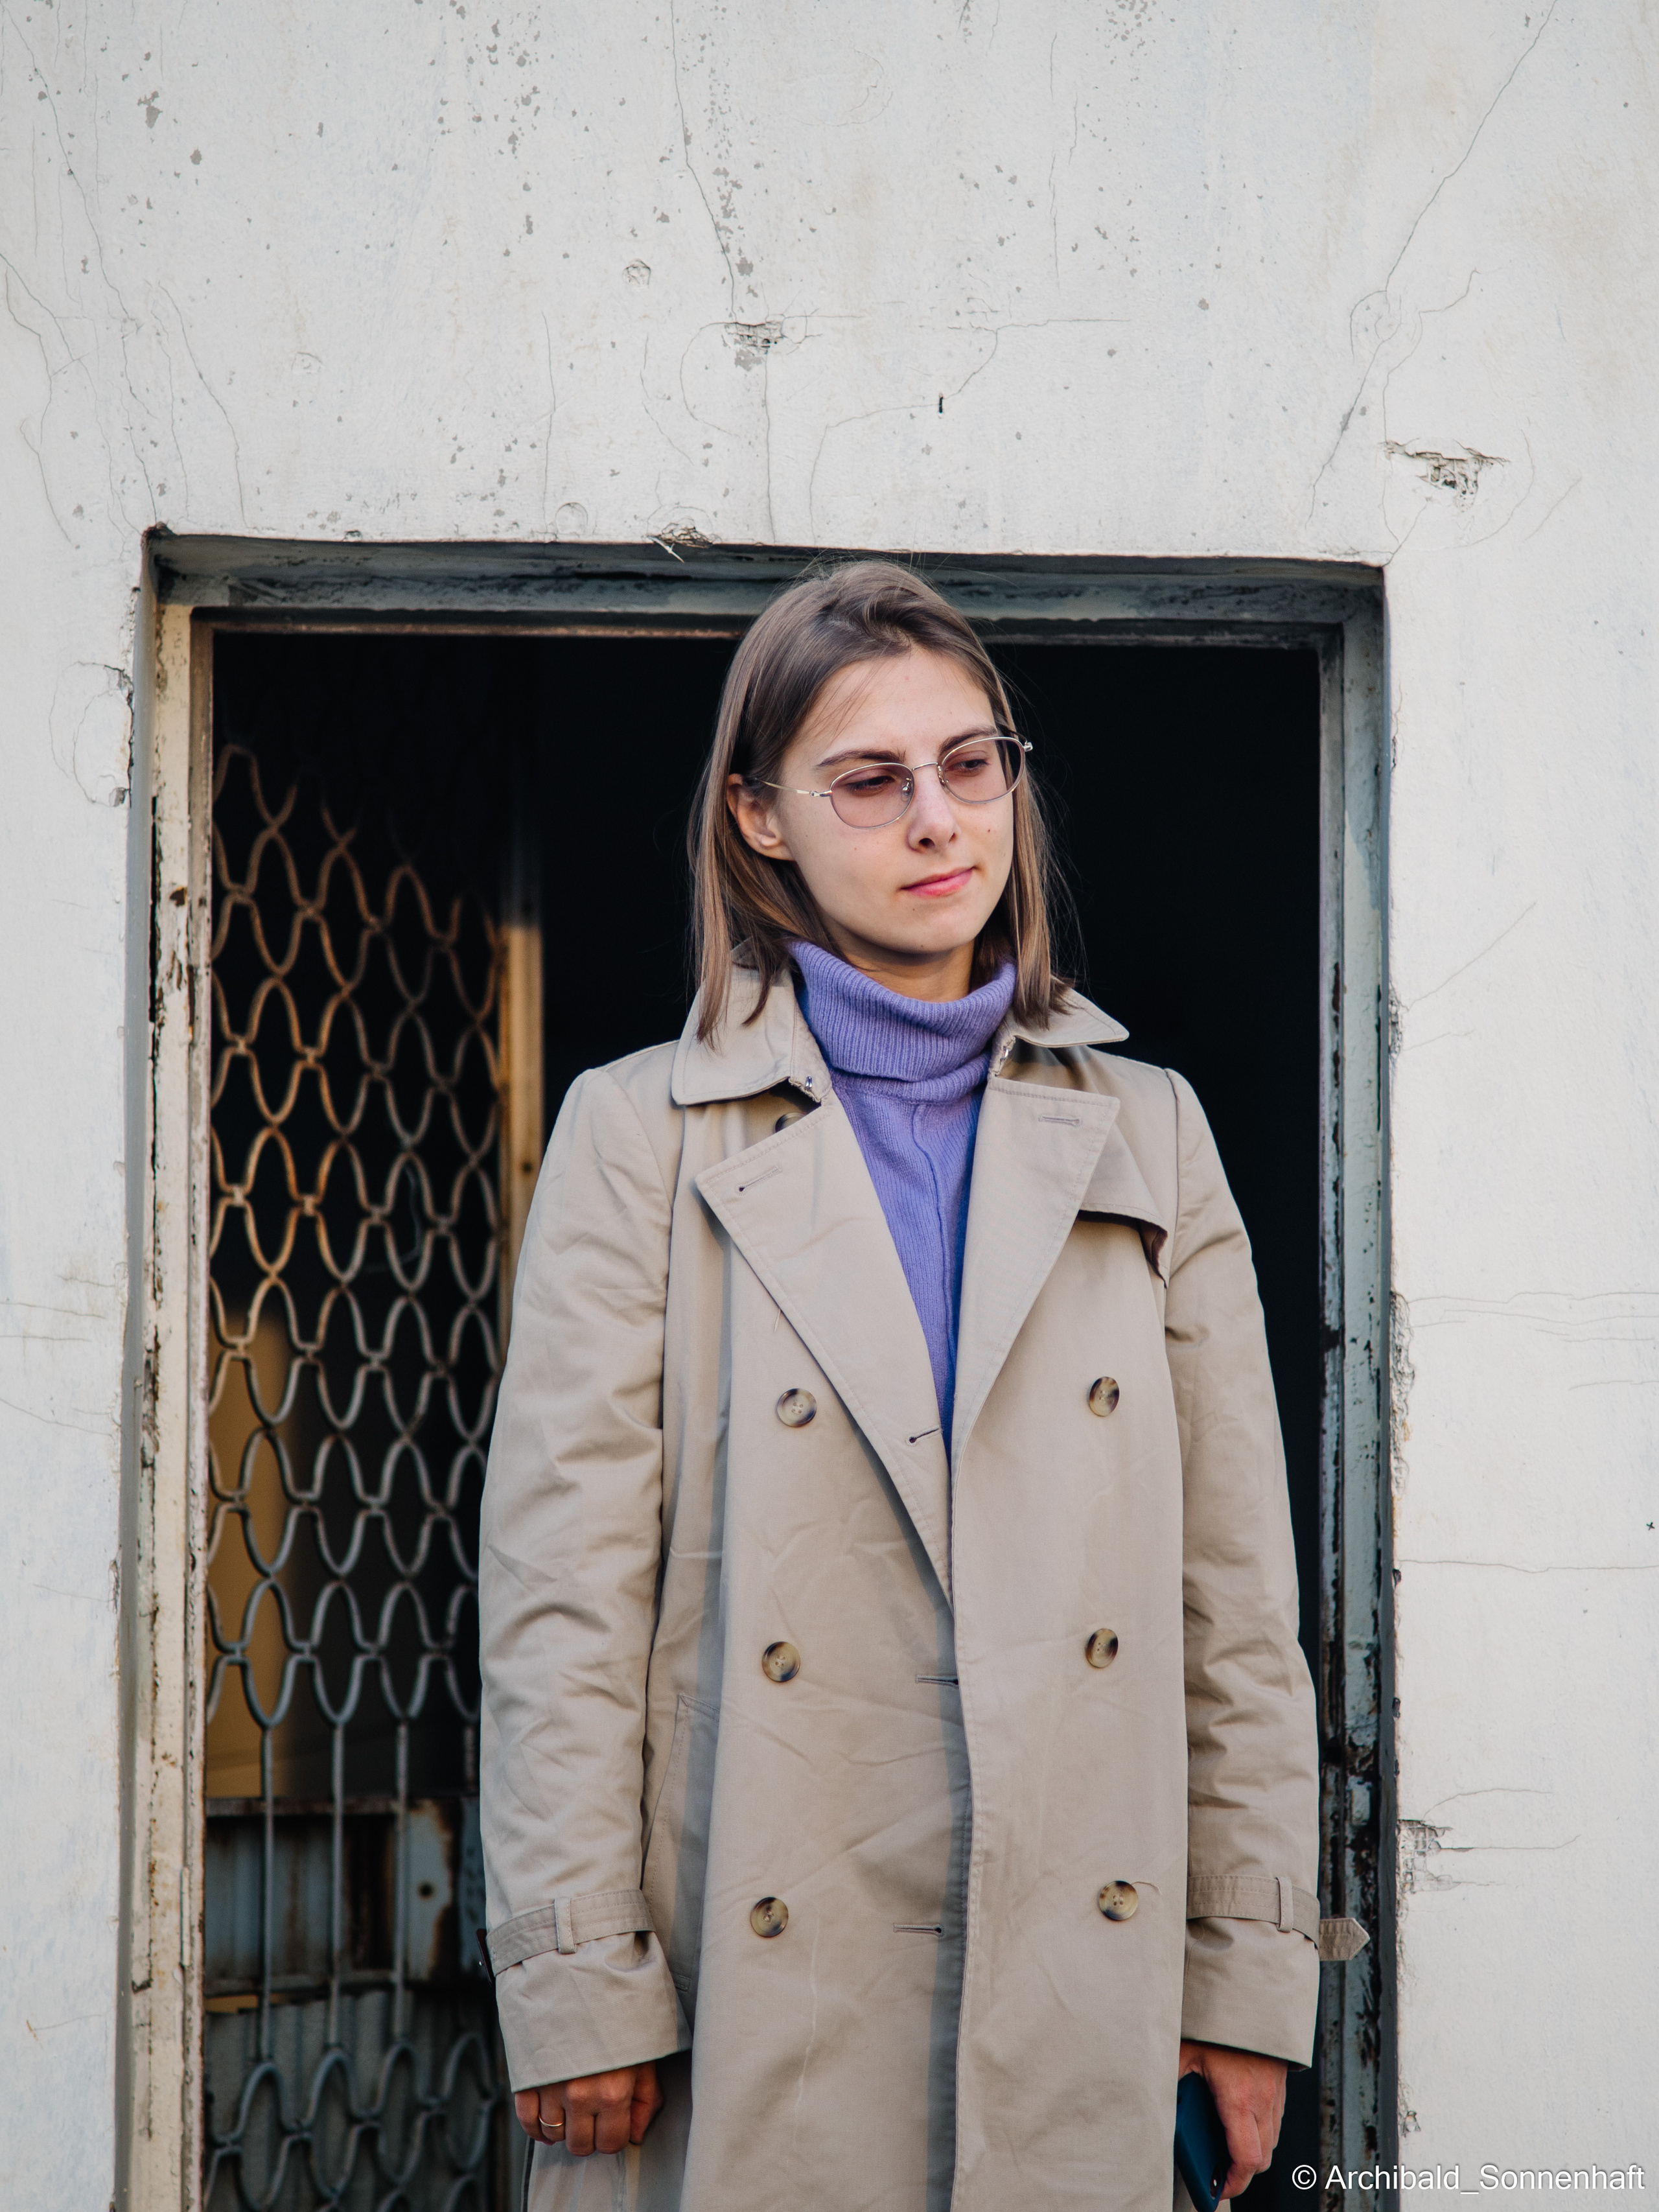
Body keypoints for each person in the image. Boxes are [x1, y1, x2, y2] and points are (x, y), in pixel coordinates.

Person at [479, 561, 1321, 2211]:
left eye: (970, 763)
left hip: (1078, 1962)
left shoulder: (1149, 1130)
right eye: (869, 780)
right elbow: (561, 1598)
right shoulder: (639, 1135)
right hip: (754, 1960)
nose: (937, 820)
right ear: (762, 816)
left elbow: (1232, 1606)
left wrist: (1242, 1977)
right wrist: (576, 1974)